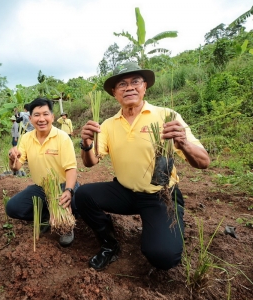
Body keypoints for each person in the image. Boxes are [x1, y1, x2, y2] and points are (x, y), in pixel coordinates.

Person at [75, 62, 210, 271]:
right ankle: (110, 244)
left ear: (144, 86)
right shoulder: (109, 125)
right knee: (83, 195)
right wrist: (86, 145)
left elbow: (204, 162)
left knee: (164, 257)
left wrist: (183, 143)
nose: (129, 87)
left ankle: (161, 224)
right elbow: (90, 162)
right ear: (114, 92)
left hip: (160, 195)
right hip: (124, 191)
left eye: (135, 82)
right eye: (122, 84)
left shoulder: (167, 116)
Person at [6, 98, 79, 247]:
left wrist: (69, 190)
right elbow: (16, 167)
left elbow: (71, 168)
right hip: (41, 187)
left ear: (52, 117)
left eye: (45, 114)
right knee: (12, 207)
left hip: (62, 185)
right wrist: (12, 158)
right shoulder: (26, 138)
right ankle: (47, 215)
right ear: (31, 118)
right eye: (37, 115)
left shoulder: (62, 138)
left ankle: (65, 225)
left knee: (77, 202)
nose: (41, 119)